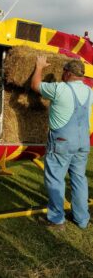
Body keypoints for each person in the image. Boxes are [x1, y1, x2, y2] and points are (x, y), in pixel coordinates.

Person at [31, 56, 93, 229]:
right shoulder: (89, 91)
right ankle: (82, 219)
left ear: (68, 73)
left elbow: (35, 85)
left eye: (63, 71)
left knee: (55, 179)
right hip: (82, 142)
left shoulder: (60, 89)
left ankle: (56, 219)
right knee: (79, 179)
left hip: (62, 141)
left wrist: (39, 67)